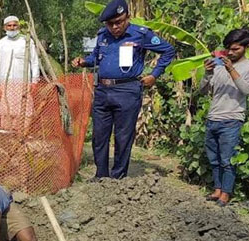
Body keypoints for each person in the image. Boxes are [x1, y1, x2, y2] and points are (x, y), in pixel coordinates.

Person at [71, 0, 175, 180]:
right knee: (99, 136)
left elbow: (168, 51)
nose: (114, 27)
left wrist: (155, 74)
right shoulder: (103, 35)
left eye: (118, 22)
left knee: (123, 137)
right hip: (103, 90)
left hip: (128, 90)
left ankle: (118, 178)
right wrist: (84, 62)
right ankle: (101, 175)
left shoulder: (140, 34)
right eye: (110, 24)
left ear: (128, 17)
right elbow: (96, 56)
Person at [201, 29, 249, 207]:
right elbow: (204, 91)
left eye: (235, 49)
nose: (230, 52)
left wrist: (231, 69)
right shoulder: (218, 67)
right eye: (228, 49)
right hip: (213, 117)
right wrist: (207, 73)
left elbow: (248, 89)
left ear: (247, 46)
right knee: (214, 159)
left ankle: (226, 194)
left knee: (227, 160)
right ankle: (217, 189)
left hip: (232, 119)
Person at [0, 15, 40, 130]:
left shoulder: (26, 41)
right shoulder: (0, 44)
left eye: (14, 25)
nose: (12, 28)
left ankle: (21, 139)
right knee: (6, 112)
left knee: (24, 111)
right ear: (5, 27)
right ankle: (8, 141)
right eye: (9, 25)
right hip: (5, 84)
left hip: (23, 83)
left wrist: (34, 81)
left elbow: (34, 62)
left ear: (18, 26)